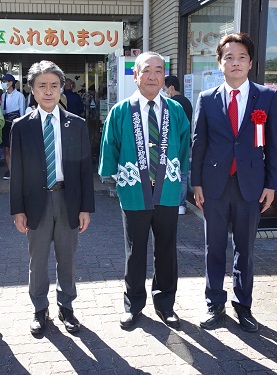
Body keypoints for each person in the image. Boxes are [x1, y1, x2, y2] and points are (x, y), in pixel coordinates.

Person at [191, 33, 277, 332]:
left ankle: (244, 306)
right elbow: (198, 144)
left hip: (250, 186)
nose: (235, 62)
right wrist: (197, 183)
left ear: (250, 62)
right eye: (229, 57)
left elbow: (273, 145)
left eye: (241, 56)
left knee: (245, 248)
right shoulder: (206, 99)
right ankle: (214, 304)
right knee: (213, 247)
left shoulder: (266, 97)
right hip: (215, 185)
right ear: (220, 63)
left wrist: (270, 184)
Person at [99, 52, 190, 329]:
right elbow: (110, 147)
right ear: (135, 76)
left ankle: (165, 304)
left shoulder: (175, 110)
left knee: (166, 249)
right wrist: (117, 178)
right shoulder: (121, 111)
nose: (153, 76)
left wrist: (176, 174)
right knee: (135, 250)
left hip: (168, 191)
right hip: (134, 192)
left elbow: (184, 146)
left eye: (158, 71)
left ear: (164, 76)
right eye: (146, 71)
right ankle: (133, 305)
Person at [10, 60, 95, 335]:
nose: (48, 91)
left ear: (62, 89)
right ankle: (39, 309)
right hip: (36, 202)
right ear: (32, 90)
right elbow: (18, 173)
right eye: (42, 86)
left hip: (67, 200)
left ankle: (66, 307)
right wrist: (17, 210)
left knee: (67, 258)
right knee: (38, 259)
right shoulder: (21, 127)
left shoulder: (76, 124)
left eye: (54, 86)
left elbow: (84, 169)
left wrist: (86, 208)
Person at [163, 75, 193, 215]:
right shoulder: (187, 102)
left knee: (174, 171)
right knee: (183, 171)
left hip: (173, 142)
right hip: (186, 141)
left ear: (171, 87)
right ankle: (182, 204)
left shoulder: (171, 104)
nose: (165, 92)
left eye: (165, 89)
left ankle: (177, 202)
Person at [0, 73, 26, 180]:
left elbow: (22, 112)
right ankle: (10, 170)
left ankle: (18, 169)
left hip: (15, 122)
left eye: (5, 81)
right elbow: (2, 110)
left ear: (11, 83)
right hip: (5, 123)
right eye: (3, 82)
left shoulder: (20, 96)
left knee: (16, 148)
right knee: (6, 148)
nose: (3, 84)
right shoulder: (3, 95)